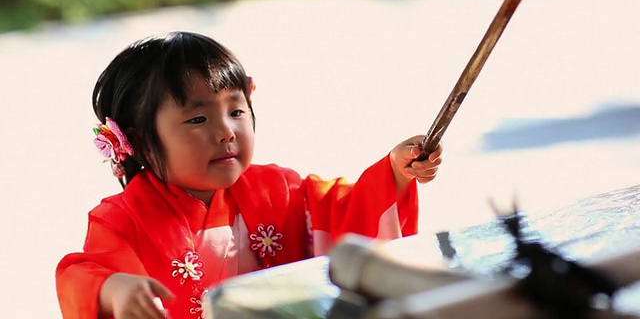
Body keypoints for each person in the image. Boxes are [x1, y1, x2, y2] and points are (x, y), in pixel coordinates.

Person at [55, 31, 443, 319]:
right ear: (139, 140)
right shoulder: (122, 220)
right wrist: (112, 288)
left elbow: (345, 210)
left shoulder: (279, 189)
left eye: (236, 112)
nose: (226, 131)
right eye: (198, 118)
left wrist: (393, 173)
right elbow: (80, 274)